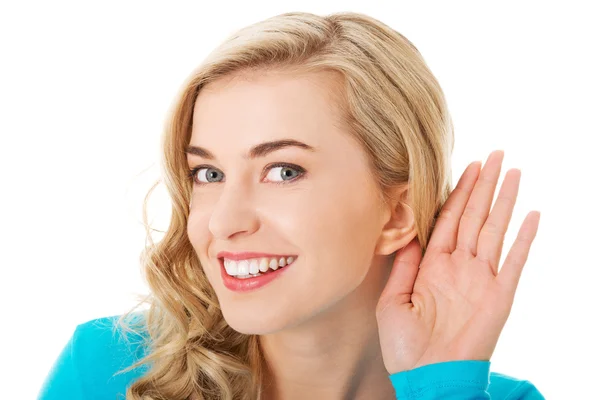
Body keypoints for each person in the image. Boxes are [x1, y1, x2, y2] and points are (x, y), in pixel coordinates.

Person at [38, 11, 543, 400]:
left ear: (397, 213)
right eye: (208, 174)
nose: (225, 221)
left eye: (283, 171)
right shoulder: (110, 368)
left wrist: (441, 388)